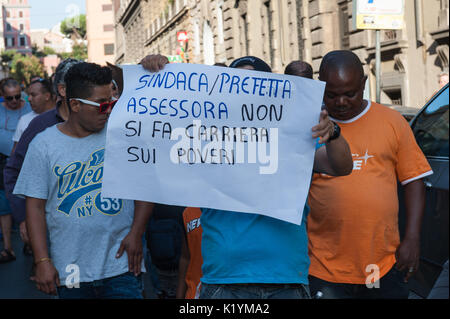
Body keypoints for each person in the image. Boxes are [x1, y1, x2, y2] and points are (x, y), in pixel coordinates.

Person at [141, 54, 353, 299]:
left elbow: (341, 166)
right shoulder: (205, 135)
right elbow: (155, 138)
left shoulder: (294, 134)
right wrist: (156, 77)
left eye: (254, 84)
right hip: (224, 279)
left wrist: (334, 132)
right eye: (239, 84)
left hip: (286, 279)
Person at [13, 62, 154, 298]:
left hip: (121, 265)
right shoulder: (43, 145)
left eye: (112, 102)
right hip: (71, 270)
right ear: (75, 104)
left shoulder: (125, 134)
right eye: (102, 105)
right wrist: (42, 261)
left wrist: (136, 233)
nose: (109, 110)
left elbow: (144, 186)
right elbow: (35, 207)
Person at [307, 50, 433, 299]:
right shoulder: (308, 126)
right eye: (331, 95)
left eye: (349, 94)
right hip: (322, 268)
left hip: (378, 266)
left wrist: (412, 238)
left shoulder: (392, 121)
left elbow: (414, 180)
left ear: (364, 84)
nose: (341, 102)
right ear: (320, 88)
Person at [4, 59, 81, 261]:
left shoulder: (104, 120)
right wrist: (24, 218)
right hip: (56, 233)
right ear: (63, 90)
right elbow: (14, 170)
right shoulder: (40, 126)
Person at [0, 78, 31, 263]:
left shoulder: (29, 110)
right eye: (9, 98)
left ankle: (30, 240)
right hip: (3, 161)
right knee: (3, 203)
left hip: (27, 160)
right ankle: (8, 247)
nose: (13, 101)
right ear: (2, 97)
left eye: (17, 97)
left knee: (28, 200)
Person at [12, 79, 55, 154]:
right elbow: (15, 152)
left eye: (33, 95)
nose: (29, 99)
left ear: (47, 96)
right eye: (29, 95)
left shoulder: (62, 117)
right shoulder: (24, 120)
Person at [176, 207, 203, 299]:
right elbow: (185, 257)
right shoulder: (188, 212)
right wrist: (179, 295)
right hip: (195, 292)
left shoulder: (239, 209)